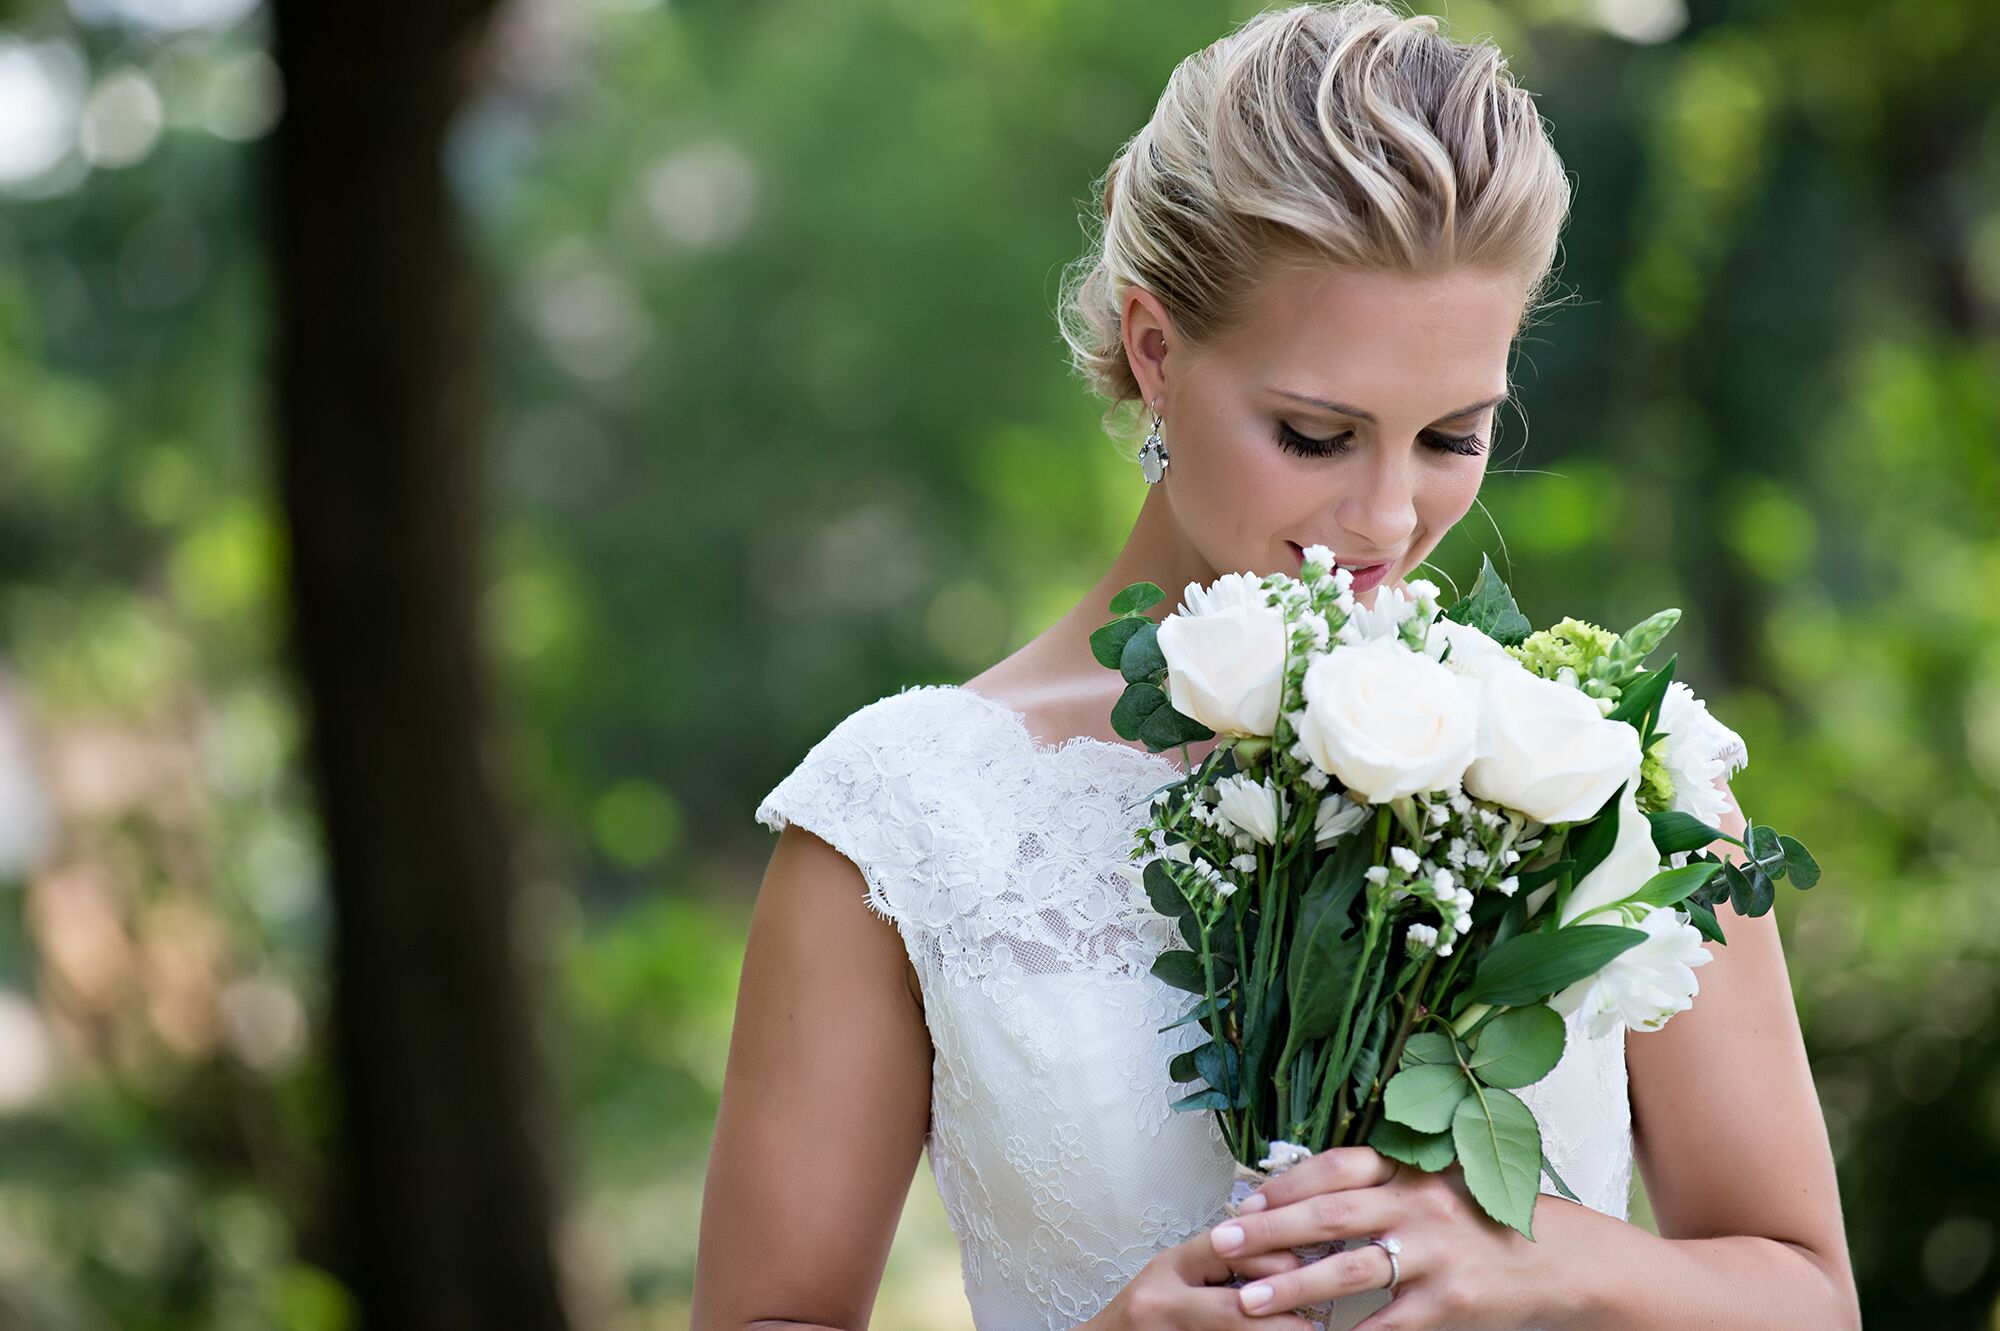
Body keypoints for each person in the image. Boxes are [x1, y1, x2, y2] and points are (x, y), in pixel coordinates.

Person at [692, 3, 1859, 1328]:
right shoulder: (902, 821)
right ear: (1154, 350)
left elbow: (1809, 1298)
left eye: (1451, 437)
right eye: (1315, 434)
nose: (1383, 521)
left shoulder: (1601, 765)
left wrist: (1552, 1261)